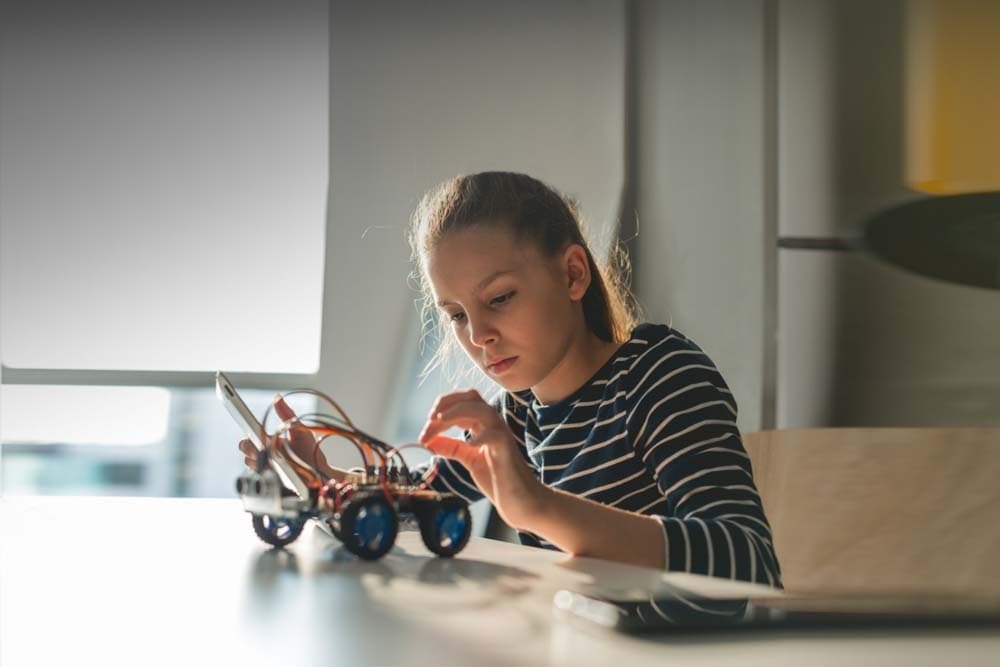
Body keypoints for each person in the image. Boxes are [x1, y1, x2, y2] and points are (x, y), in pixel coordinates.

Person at [241, 171, 781, 586]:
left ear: (572, 274)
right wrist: (320, 476)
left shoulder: (659, 372)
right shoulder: (519, 413)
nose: (478, 334)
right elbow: (412, 505)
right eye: (455, 314)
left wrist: (538, 507)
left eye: (499, 298)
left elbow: (747, 561)